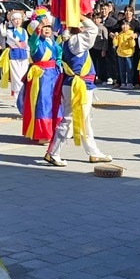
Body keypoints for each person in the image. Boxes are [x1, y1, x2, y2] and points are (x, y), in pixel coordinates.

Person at [48, 18, 112, 167]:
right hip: (77, 85)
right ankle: (53, 152)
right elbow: (93, 30)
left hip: (75, 84)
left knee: (85, 120)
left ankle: (93, 152)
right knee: (69, 119)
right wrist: (81, 15)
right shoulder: (76, 41)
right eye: (81, 26)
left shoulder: (66, 39)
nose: (84, 28)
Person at [18, 14, 64, 150]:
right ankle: (42, 133)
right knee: (43, 103)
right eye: (44, 27)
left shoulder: (53, 42)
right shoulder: (35, 42)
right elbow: (34, 39)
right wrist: (39, 25)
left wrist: (59, 63)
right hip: (41, 77)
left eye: (49, 27)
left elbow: (59, 55)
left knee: (56, 102)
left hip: (54, 75)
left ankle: (56, 130)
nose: (47, 30)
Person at [0, 10, 30, 103]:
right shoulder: (9, 31)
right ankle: (17, 98)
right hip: (14, 55)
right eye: (15, 19)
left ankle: (23, 96)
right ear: (11, 21)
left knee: (23, 76)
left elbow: (26, 44)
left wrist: (27, 53)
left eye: (19, 19)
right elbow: (11, 40)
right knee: (16, 77)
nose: (17, 21)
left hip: (24, 55)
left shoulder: (24, 31)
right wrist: (18, 43)